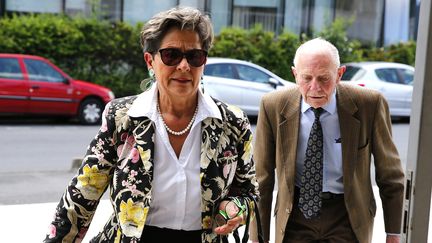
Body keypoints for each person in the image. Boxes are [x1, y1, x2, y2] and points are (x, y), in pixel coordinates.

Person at [44, 7, 259, 243]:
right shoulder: (121, 117)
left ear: (204, 61)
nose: (184, 66)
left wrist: (236, 208)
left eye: (194, 56)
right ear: (150, 60)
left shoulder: (232, 122)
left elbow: (248, 192)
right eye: (171, 55)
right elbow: (82, 196)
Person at [250, 38, 404, 243]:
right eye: (307, 78)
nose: (315, 87)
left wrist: (393, 232)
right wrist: (258, 238)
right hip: (294, 214)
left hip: (348, 214)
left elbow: (390, 175)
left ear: (340, 74)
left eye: (324, 78)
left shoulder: (369, 104)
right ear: (295, 74)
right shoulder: (273, 105)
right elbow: (262, 178)